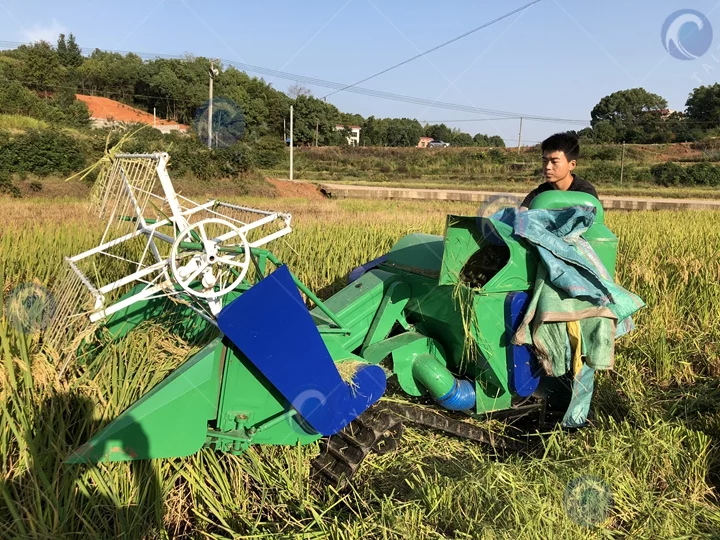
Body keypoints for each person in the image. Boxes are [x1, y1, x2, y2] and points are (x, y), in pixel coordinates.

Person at [519, 132, 598, 210]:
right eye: (545, 161)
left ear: (572, 165)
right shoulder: (540, 193)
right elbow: (522, 214)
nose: (548, 167)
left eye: (554, 161)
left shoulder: (585, 193)